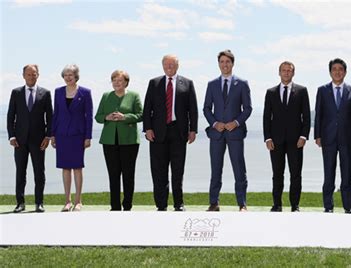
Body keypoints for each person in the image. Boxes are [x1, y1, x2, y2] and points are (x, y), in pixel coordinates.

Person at [143, 55, 198, 211]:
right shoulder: (154, 83)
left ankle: (178, 204)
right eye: (166, 64)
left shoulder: (187, 83)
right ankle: (161, 205)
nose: (169, 67)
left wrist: (193, 129)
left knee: (178, 171)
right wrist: (147, 129)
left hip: (179, 133)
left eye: (172, 64)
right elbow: (147, 108)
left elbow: (192, 109)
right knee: (158, 171)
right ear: (162, 66)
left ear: (177, 66)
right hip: (157, 133)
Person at [203, 49, 252, 212]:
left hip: (235, 133)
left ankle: (242, 204)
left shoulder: (242, 84)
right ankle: (213, 203)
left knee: (239, 169)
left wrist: (236, 122)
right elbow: (206, 108)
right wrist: (215, 123)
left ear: (232, 63)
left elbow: (247, 108)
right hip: (216, 134)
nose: (225, 65)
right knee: (215, 169)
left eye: (228, 62)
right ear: (219, 64)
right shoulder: (212, 84)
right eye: (222, 62)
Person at [314, 58, 351, 214]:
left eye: (340, 69)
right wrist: (317, 135)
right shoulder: (322, 90)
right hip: (327, 138)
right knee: (329, 173)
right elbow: (318, 114)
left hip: (347, 138)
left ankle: (348, 206)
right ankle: (328, 206)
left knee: (347, 173)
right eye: (334, 69)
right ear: (330, 72)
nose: (337, 71)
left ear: (345, 72)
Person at [263, 61, 310, 212]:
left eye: (289, 71)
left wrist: (304, 136)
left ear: (293, 73)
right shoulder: (271, 92)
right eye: (283, 70)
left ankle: (295, 205)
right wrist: (268, 138)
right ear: (279, 72)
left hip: (296, 141)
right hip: (275, 141)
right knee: (277, 174)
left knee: (296, 174)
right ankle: (277, 204)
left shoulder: (302, 91)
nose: (286, 73)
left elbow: (307, 116)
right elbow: (266, 117)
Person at [7, 64, 52, 213]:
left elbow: (50, 117)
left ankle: (39, 202)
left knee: (39, 172)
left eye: (34, 74)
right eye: (28, 74)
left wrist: (48, 136)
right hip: (19, 140)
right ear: (23, 76)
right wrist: (11, 136)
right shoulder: (16, 92)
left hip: (39, 140)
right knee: (20, 172)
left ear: (38, 75)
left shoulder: (45, 93)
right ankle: (20, 203)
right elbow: (10, 116)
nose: (31, 77)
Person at [95, 70, 143, 211]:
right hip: (109, 141)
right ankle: (115, 206)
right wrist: (106, 117)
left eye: (120, 80)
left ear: (126, 82)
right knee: (113, 175)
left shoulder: (134, 96)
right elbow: (98, 117)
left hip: (129, 141)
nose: (116, 83)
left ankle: (127, 205)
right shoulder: (106, 96)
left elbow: (141, 115)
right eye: (114, 80)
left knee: (128, 175)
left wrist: (125, 117)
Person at [51, 64, 93, 212]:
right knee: (65, 168)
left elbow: (89, 117)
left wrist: (88, 137)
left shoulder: (85, 92)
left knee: (77, 167)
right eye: (66, 75)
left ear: (76, 76)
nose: (68, 77)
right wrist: (53, 135)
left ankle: (78, 201)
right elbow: (55, 115)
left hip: (78, 135)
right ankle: (67, 201)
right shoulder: (58, 92)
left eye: (71, 75)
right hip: (62, 135)